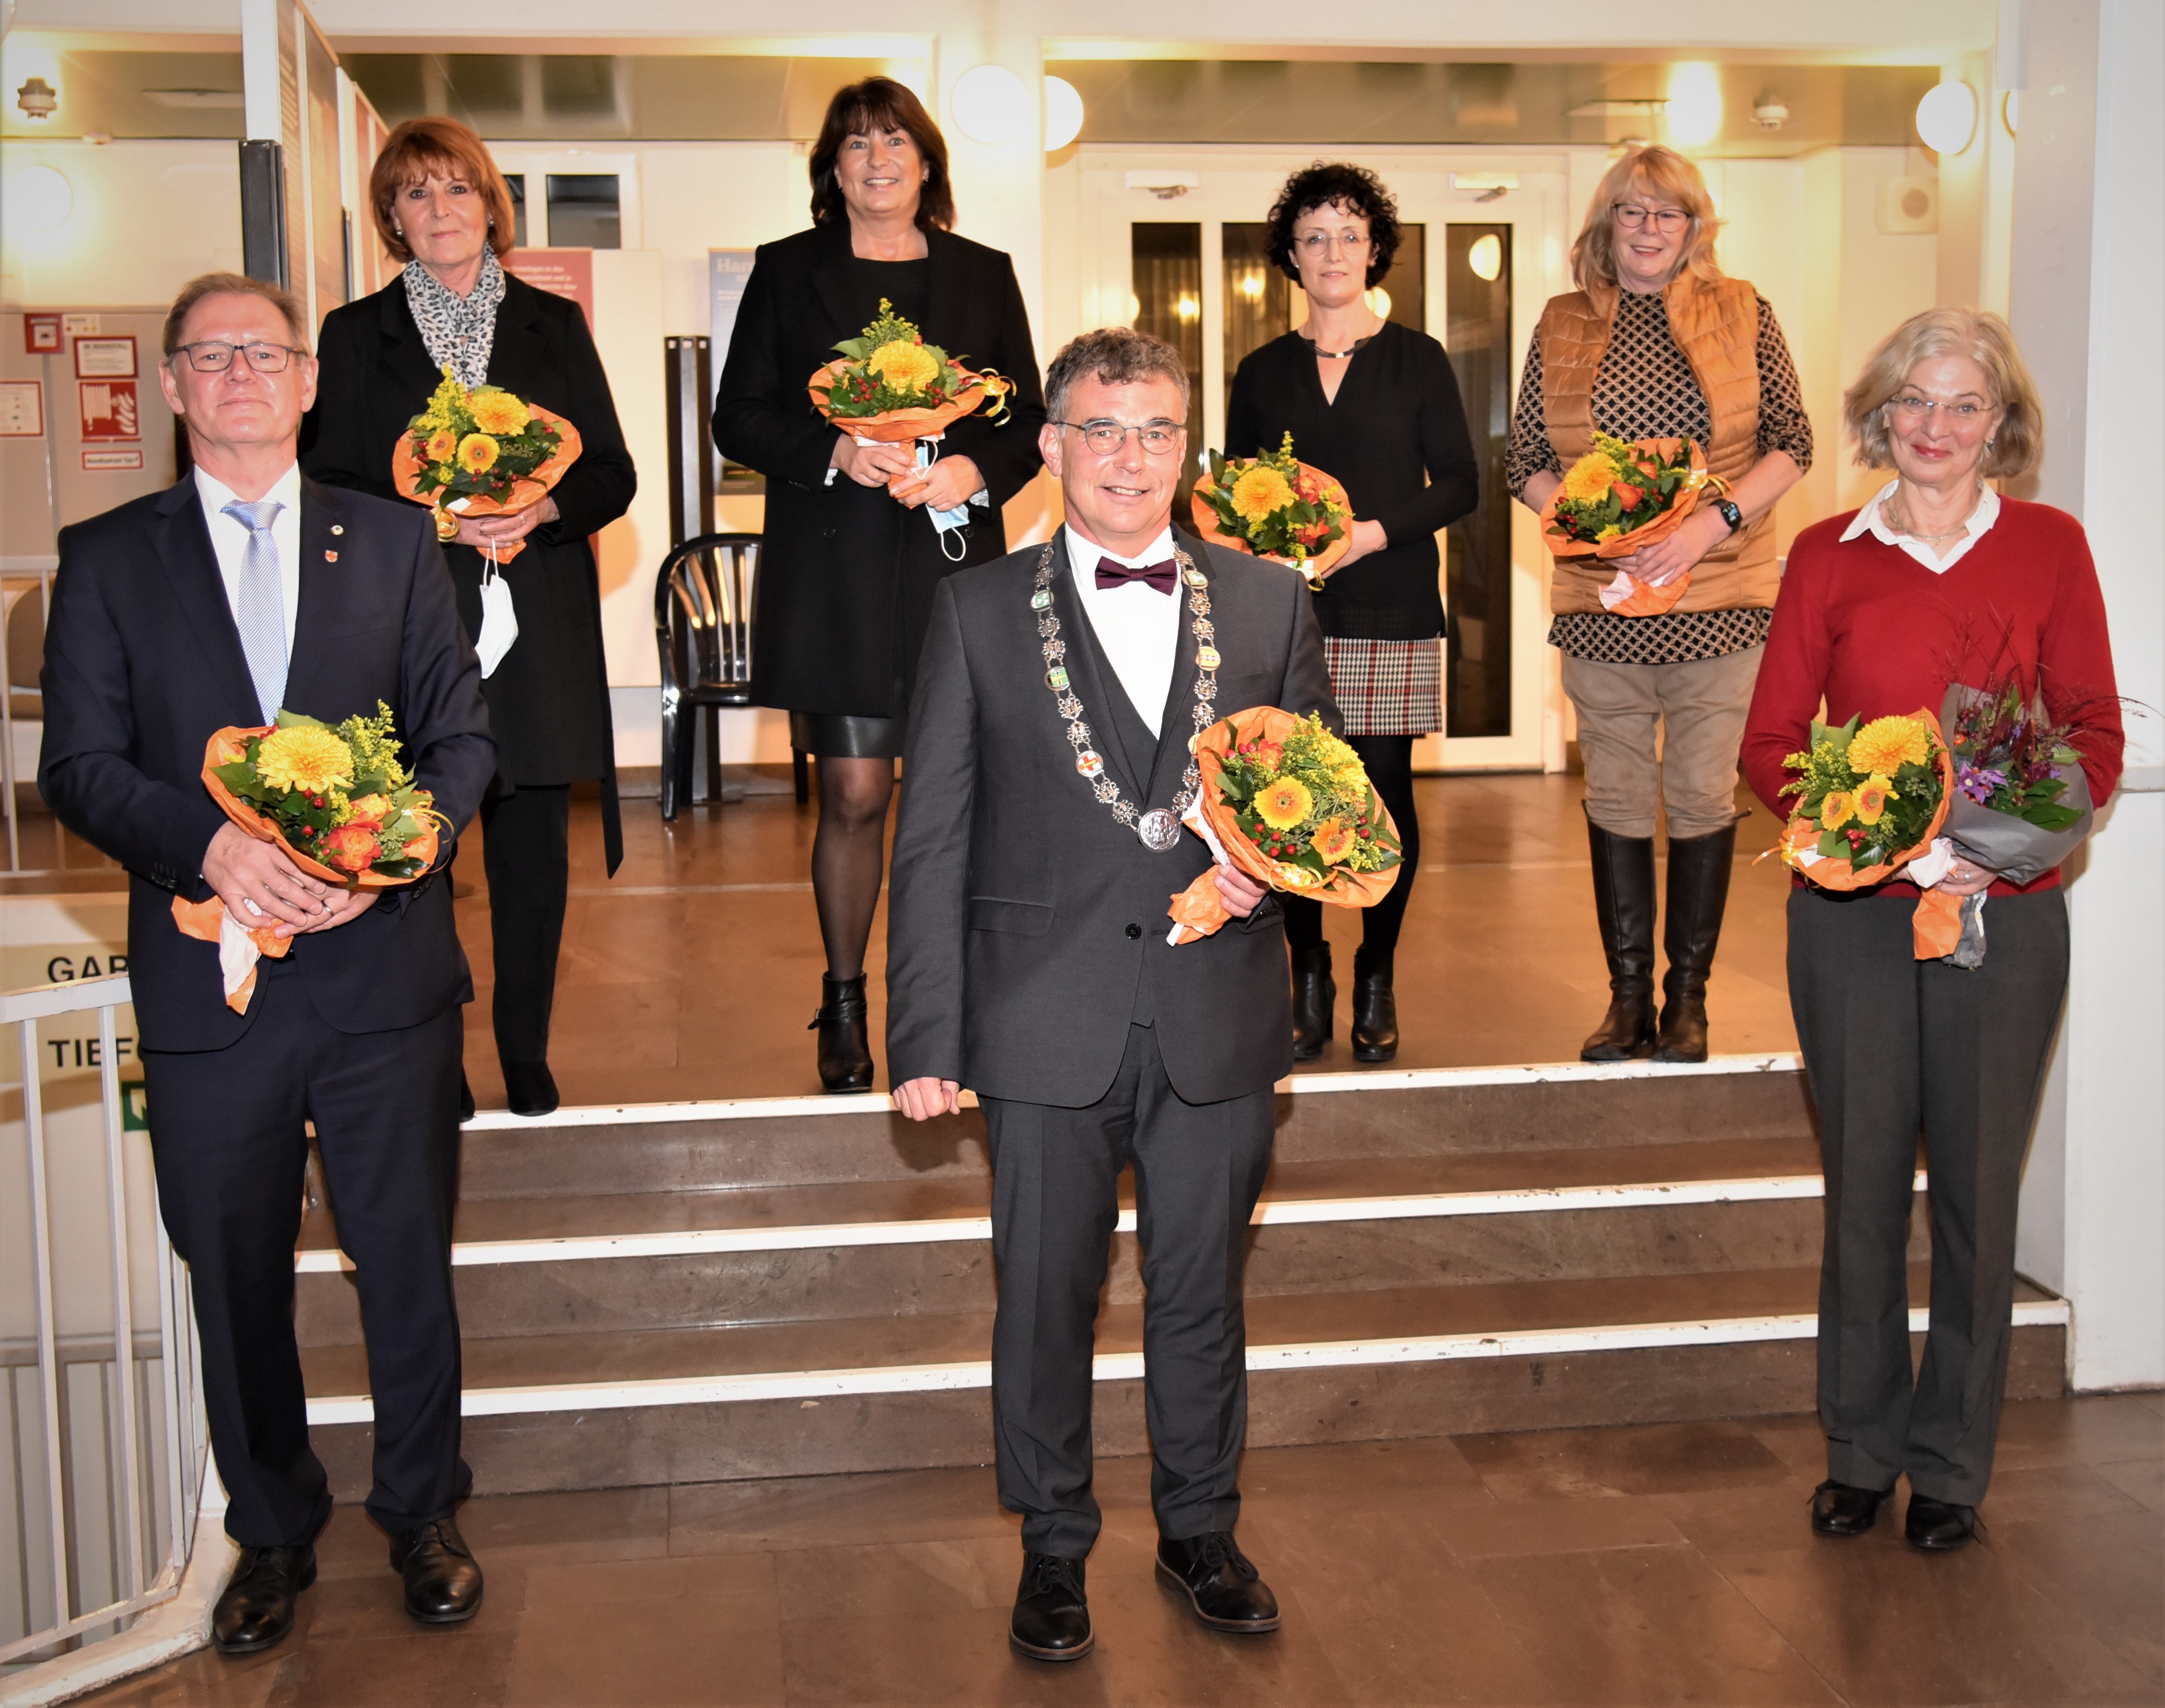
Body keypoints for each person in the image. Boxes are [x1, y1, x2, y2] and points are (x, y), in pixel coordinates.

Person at [40, 274, 497, 1651]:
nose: (241, 372)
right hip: (206, 988)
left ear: (306, 384)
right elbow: (77, 765)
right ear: (174, 388)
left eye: (267, 352)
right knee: (232, 1265)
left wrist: (380, 861)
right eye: (210, 355)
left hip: (381, 978)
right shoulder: (109, 555)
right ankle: (272, 1530)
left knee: (405, 1254)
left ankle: (422, 1509)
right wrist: (211, 849)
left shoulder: (395, 539)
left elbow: (460, 743)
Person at [886, 327, 1336, 1663]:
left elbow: (1314, 810)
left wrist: (1272, 877)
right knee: (1043, 1293)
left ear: (1186, 446)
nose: (1128, 459)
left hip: (1217, 1007)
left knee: (1203, 1290)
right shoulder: (976, 609)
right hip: (1038, 1012)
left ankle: (1201, 1528)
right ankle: (1052, 1546)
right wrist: (924, 1030)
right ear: (1049, 447)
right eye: (1100, 430)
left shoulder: (1268, 602)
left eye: (1153, 431)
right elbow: (934, 838)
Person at [1741, 308, 2121, 1551]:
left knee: (1973, 1194)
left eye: (1964, 404)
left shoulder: (2051, 549)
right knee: (1859, 1188)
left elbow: (2092, 737)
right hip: (1851, 920)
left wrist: (1983, 836)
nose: (1936, 426)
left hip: (1999, 920)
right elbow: (1770, 742)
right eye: (1913, 400)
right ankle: (1859, 1448)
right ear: (1877, 416)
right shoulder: (1824, 557)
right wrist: (1871, 828)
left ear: (2000, 425)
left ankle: (1952, 1466)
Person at [715, 75, 1046, 1093]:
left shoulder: (983, 274)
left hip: (952, 567)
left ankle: (953, 998)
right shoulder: (786, 271)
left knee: (960, 798)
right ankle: (846, 996)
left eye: (895, 141)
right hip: (836, 571)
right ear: (833, 169)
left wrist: (971, 471)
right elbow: (741, 415)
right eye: (856, 144)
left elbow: (1026, 415)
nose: (878, 159)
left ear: (927, 160)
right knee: (856, 792)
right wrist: (833, 453)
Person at [302, 116, 635, 1118]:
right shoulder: (355, 334)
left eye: (456, 191)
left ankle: (524, 1051)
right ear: (392, 220)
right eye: (416, 195)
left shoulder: (552, 324)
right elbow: (329, 476)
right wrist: (427, 516)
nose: (439, 211)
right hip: (407, 620)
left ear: (490, 205)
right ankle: (433, 1056)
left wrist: (541, 509)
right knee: (416, 855)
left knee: (533, 853)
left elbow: (611, 471)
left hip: (533, 616)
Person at [1508, 144, 1811, 1064]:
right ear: (1607, 225)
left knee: (1698, 791)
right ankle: (1627, 1000)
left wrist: (1704, 526)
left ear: (1693, 226)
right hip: (1602, 598)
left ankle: (1690, 1002)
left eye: (1667, 213)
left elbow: (1789, 442)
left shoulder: (1743, 309)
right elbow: (1525, 458)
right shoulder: (1561, 321)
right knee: (1617, 795)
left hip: (1717, 593)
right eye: (1632, 212)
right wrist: (1588, 525)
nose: (1648, 229)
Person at [1226, 161, 1479, 1063]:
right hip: (1289, 618)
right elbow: (1238, 497)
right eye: (1313, 236)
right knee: (1291, 800)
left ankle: (1375, 970)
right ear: (1289, 256)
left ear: (1376, 250)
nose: (1331, 250)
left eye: (1348, 233)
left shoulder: (1419, 360)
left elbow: (1460, 481)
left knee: (1382, 798)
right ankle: (1306, 972)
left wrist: (1368, 534)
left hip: (1393, 607)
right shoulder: (1260, 371)